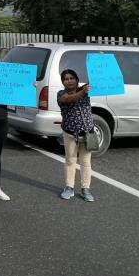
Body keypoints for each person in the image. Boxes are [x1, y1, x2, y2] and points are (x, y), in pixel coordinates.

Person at [57, 69, 95, 202]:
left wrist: (100, 61)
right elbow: (69, 99)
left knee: (85, 162)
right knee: (70, 160)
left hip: (87, 133)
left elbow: (99, 80)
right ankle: (69, 187)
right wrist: (83, 91)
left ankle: (85, 189)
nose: (69, 81)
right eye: (66, 79)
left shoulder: (86, 90)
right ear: (63, 82)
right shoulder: (61, 94)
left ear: (77, 79)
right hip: (70, 133)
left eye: (72, 78)